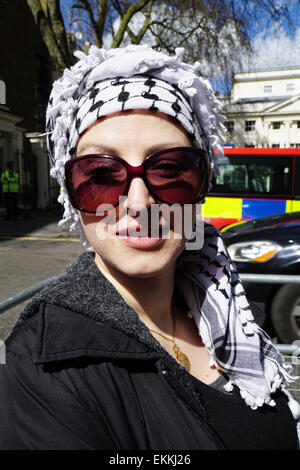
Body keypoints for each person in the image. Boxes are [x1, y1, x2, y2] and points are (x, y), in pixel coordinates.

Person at [0, 44, 299, 451]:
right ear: (71, 193)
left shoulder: (233, 311)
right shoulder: (44, 367)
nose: (139, 203)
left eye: (169, 169)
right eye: (101, 174)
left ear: (202, 186)